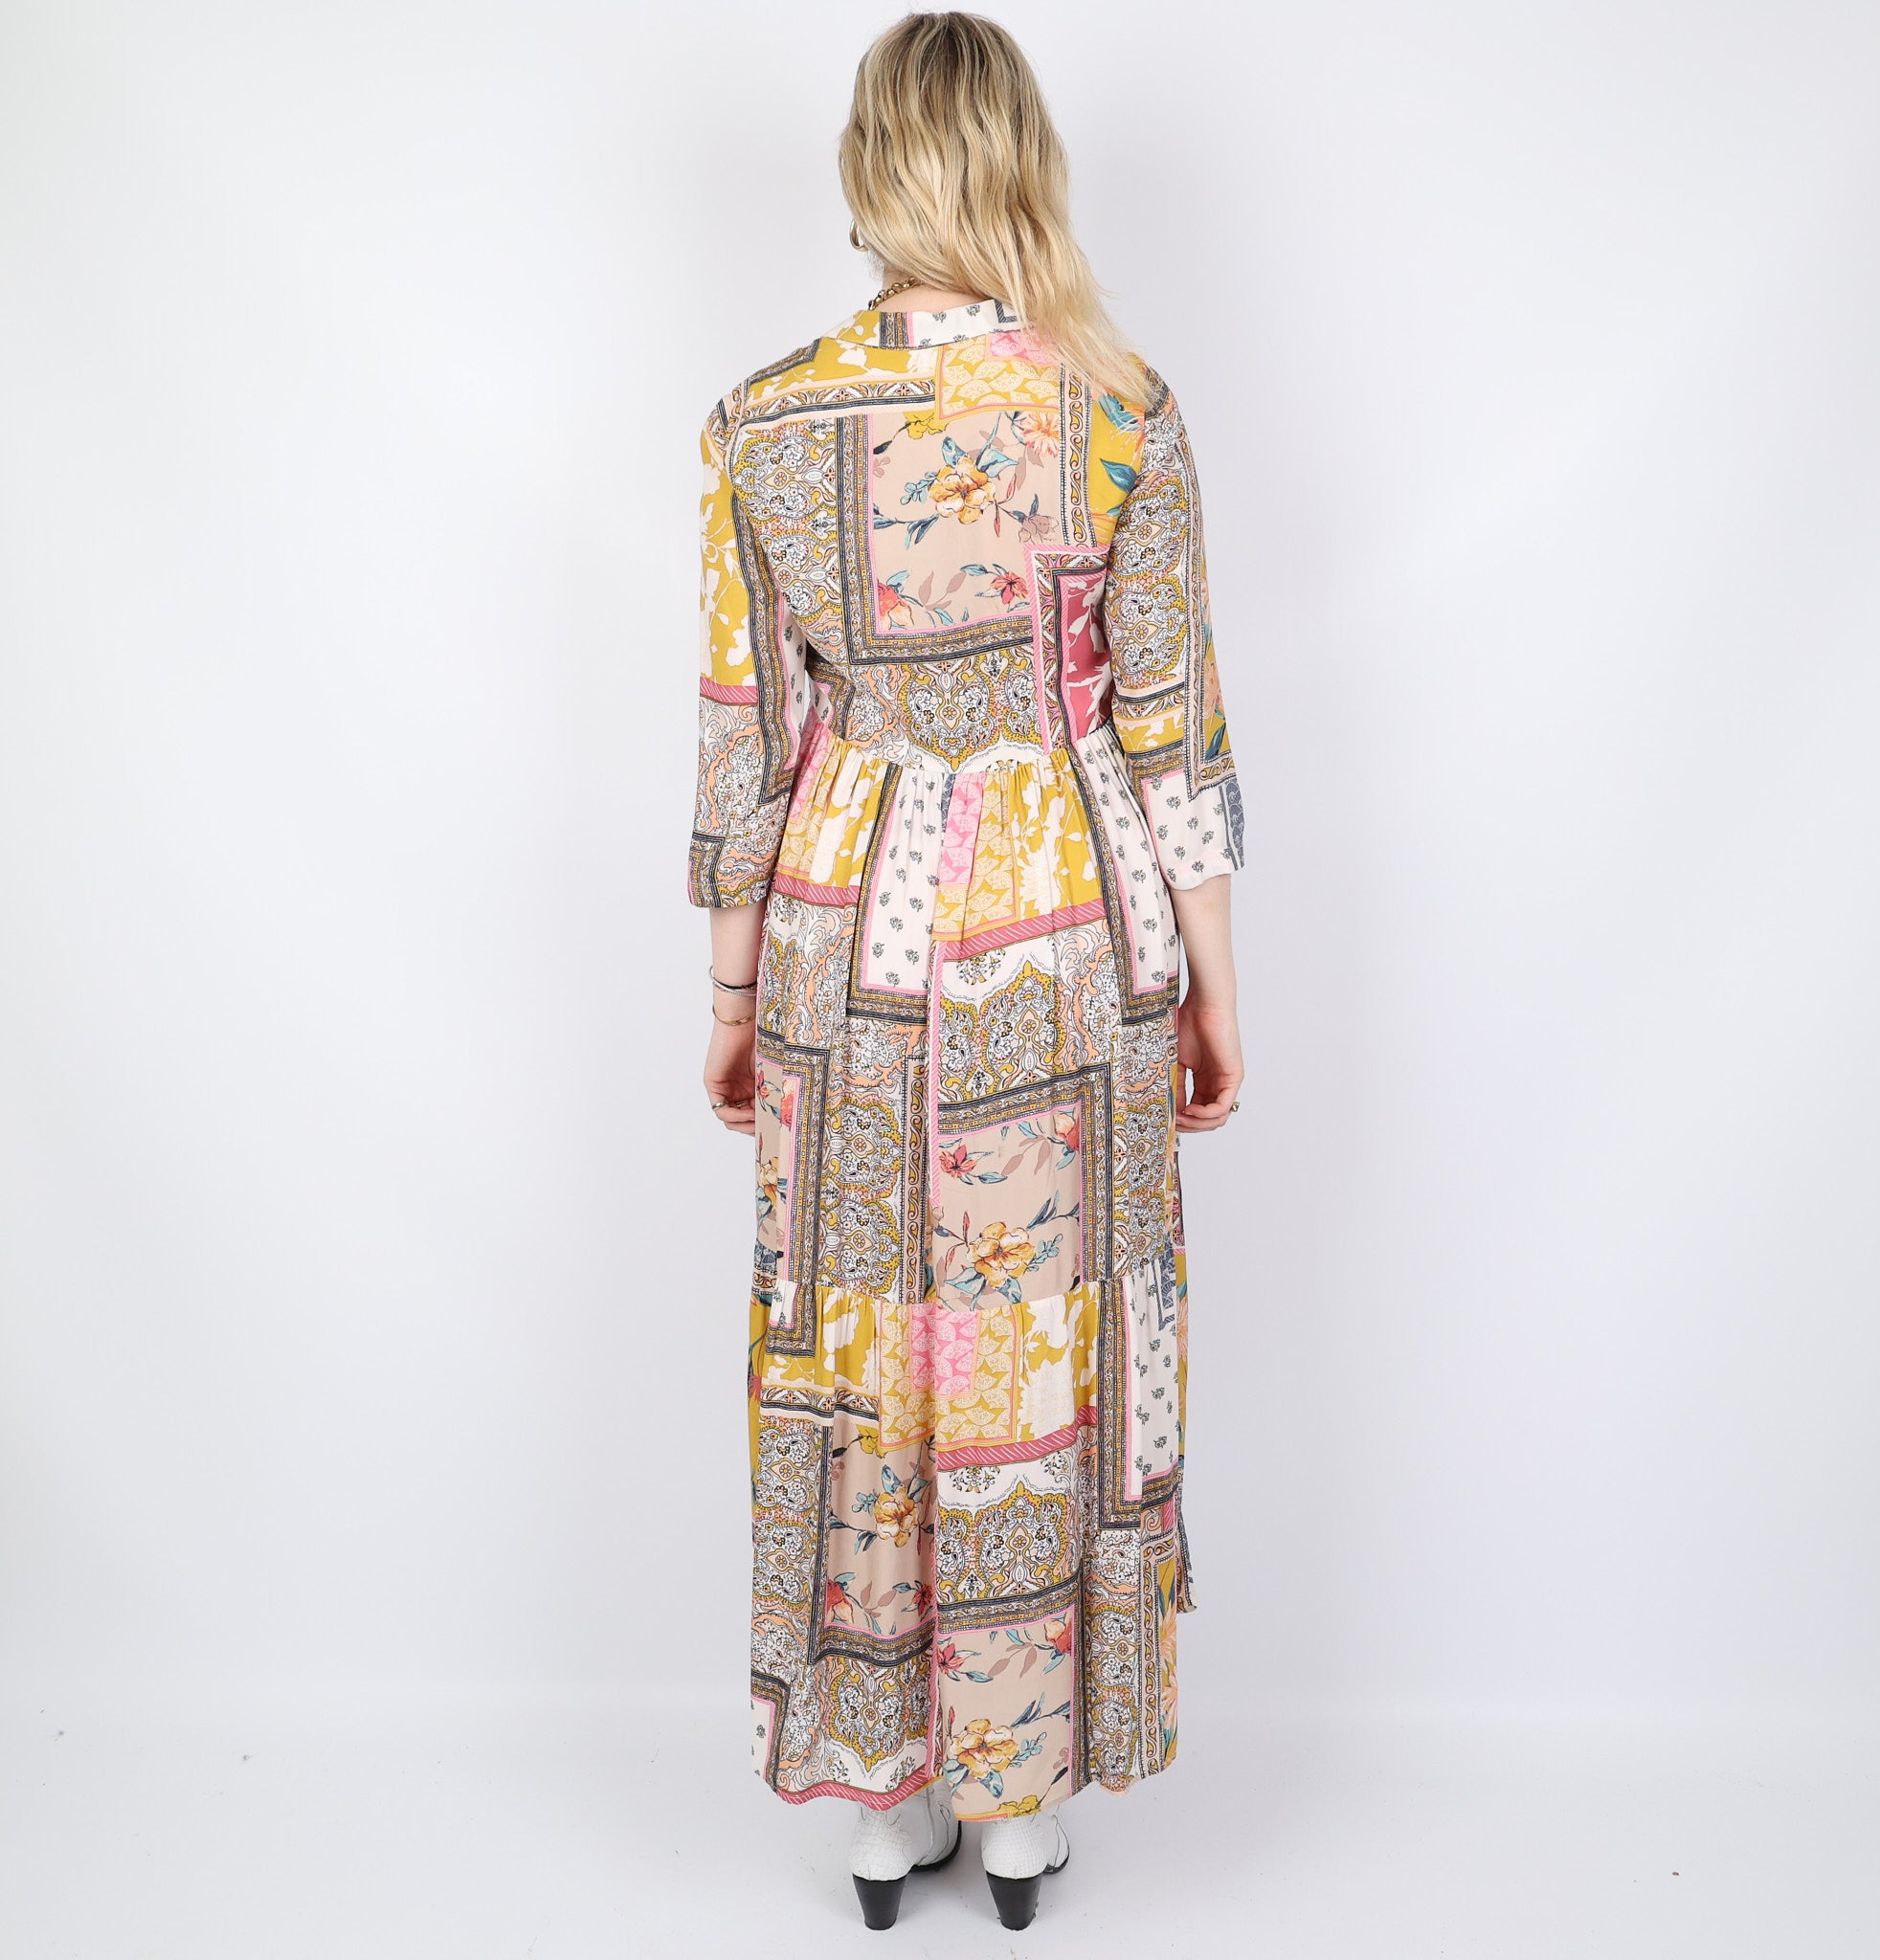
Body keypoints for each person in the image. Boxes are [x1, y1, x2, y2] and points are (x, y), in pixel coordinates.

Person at [685, 11, 1246, 1931]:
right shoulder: (1119, 407)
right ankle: (1017, 1806)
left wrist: (731, 999)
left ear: (870, 171)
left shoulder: (764, 421)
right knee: (1034, 1344)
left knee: (868, 1339)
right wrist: (1218, 986)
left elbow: (745, 742)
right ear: (1022, 159)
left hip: (848, 936)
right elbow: (1168, 727)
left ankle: (885, 1797)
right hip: (1067, 929)